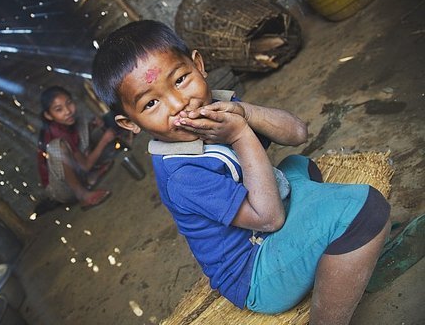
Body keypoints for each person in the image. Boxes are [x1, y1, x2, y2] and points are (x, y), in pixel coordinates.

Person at [92, 20, 391, 324]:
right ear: (130, 124)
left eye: (181, 79)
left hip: (265, 221)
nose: (179, 104)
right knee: (366, 211)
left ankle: (318, 246)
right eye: (152, 103)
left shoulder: (217, 107)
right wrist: (239, 135)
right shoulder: (182, 174)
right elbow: (270, 219)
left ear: (199, 65)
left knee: (300, 165)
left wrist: (246, 113)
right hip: (254, 270)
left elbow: (298, 132)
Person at [36, 86, 116, 211]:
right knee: (56, 146)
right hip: (61, 189)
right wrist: (104, 140)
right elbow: (85, 166)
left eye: (69, 103)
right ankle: (83, 195)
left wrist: (92, 125)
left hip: (78, 176)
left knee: (85, 122)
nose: (68, 111)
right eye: (59, 109)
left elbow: (80, 144)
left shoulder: (68, 123)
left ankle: (89, 178)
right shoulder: (55, 133)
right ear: (49, 115)